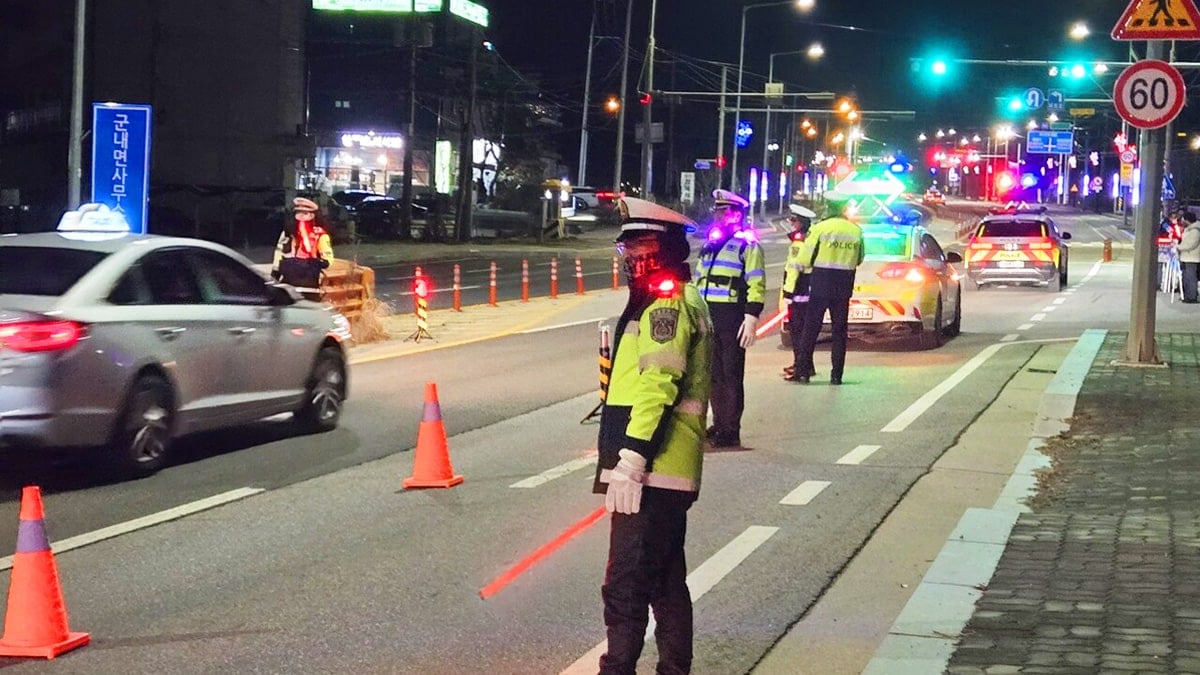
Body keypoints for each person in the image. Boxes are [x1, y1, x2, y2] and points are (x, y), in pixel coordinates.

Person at [593, 196, 713, 675]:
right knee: (664, 581)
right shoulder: (666, 299)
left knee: (625, 585)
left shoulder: (666, 305)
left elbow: (659, 385)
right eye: (627, 250)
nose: (631, 260)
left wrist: (632, 460)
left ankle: (617, 669)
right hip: (663, 468)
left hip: (654, 469)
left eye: (641, 249)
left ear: (663, 251)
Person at [694, 188, 766, 448]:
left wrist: (751, 316)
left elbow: (756, 281)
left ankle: (731, 430)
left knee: (731, 374)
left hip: (732, 315)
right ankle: (720, 423)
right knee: (713, 375)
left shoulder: (748, 244)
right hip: (708, 313)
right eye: (716, 210)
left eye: (722, 211)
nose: (717, 215)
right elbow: (698, 277)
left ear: (735, 214)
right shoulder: (711, 243)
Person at [793, 191, 864, 385]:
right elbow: (860, 259)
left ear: (828, 207)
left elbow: (804, 259)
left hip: (820, 284)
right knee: (839, 331)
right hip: (843, 285)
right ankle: (836, 375)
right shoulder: (855, 230)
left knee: (811, 328)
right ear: (843, 208)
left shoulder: (820, 228)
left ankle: (803, 371)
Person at [271, 197, 334, 301]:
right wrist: (275, 273)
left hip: (309, 280)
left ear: (312, 215)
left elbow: (328, 258)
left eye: (305, 213)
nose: (301, 216)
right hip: (289, 279)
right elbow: (279, 253)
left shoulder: (320, 235)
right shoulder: (288, 233)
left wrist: (320, 263)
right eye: (298, 213)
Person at [781, 204, 817, 382]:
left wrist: (788, 293)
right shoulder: (810, 238)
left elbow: (794, 269)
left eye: (794, 220)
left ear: (801, 223)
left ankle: (801, 365)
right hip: (809, 289)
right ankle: (805, 364)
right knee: (804, 329)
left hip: (798, 291)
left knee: (797, 331)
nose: (791, 223)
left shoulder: (798, 241)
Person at [1178, 210, 1200, 303]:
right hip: (1186, 256)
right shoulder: (1189, 229)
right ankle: (1187, 294)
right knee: (1186, 276)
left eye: (1183, 219)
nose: (1182, 221)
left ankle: (1192, 296)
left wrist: (1179, 247)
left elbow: (1191, 244)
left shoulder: (1195, 231)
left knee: (1191, 277)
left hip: (1192, 257)